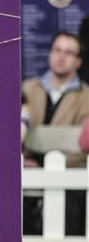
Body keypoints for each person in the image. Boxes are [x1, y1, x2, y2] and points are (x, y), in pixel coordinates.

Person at [22, 32, 89, 168]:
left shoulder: (86, 96)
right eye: (57, 50)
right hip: (26, 171)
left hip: (67, 175)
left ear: (78, 62)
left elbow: (84, 148)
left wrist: (47, 163)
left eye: (69, 53)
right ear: (50, 53)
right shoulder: (27, 89)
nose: (61, 57)